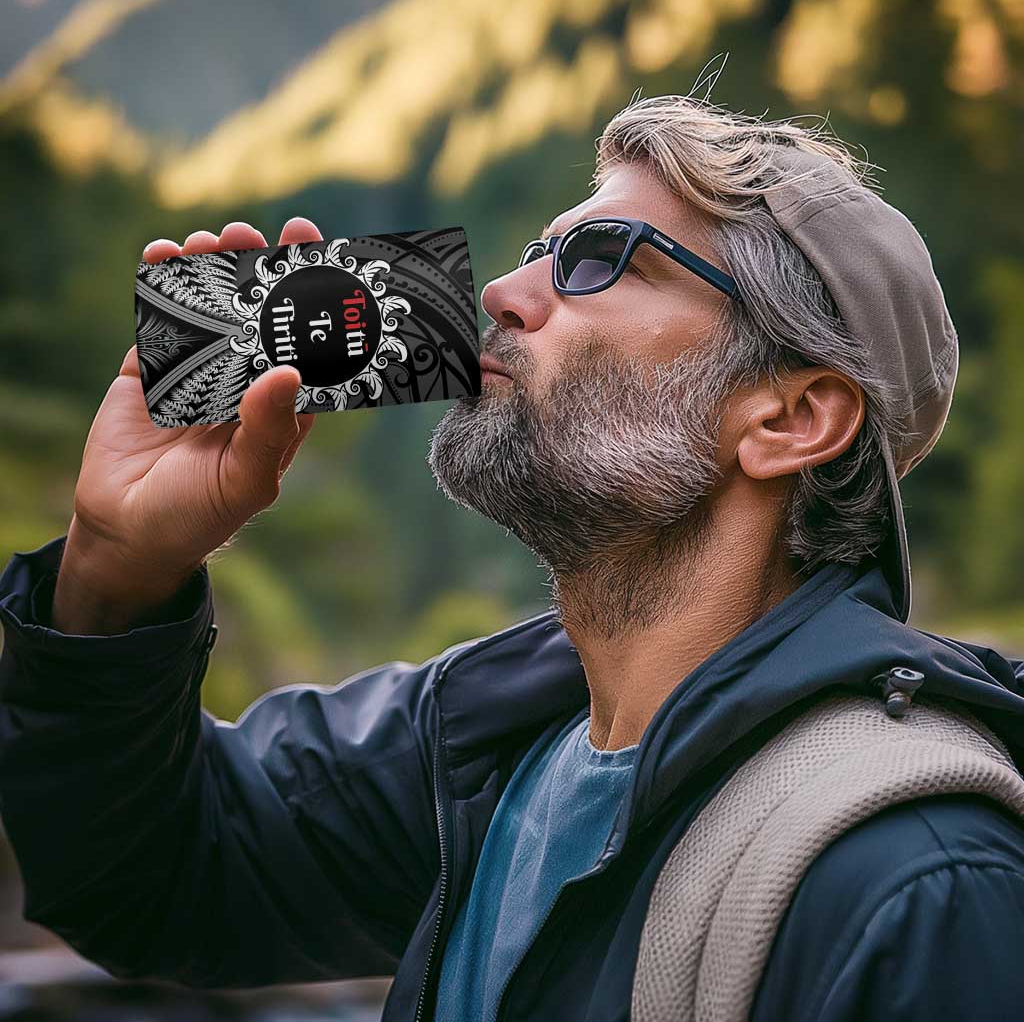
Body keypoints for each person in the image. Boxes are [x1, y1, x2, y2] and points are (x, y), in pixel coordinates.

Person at [2, 92, 1024, 1022]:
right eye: (540, 249)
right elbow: (149, 878)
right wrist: (116, 569)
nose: (501, 289)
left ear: (790, 417)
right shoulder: (480, 746)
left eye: (599, 259)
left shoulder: (918, 882)